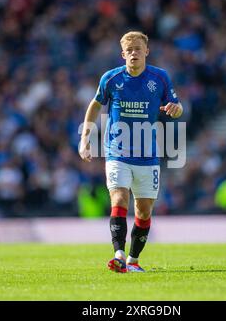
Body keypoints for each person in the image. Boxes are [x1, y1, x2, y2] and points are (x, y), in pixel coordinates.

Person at [79, 31, 183, 273]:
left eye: (138, 48)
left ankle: (133, 260)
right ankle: (118, 254)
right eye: (130, 50)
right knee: (119, 198)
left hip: (148, 156)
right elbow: (95, 104)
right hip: (118, 152)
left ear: (146, 51)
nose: (134, 53)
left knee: (144, 210)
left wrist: (176, 109)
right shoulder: (111, 78)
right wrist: (85, 138)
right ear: (122, 54)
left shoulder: (160, 77)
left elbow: (177, 105)